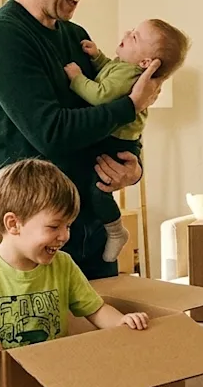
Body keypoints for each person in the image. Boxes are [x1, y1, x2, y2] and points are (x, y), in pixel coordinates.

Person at [0, 0, 164, 280]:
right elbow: (52, 131)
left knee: (104, 330)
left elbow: (110, 118)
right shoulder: (3, 39)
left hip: (89, 216)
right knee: (50, 335)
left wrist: (132, 167)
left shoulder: (76, 36)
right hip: (34, 224)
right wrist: (132, 104)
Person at [0, 158, 151, 356]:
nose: (65, 236)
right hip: (2, 378)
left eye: (68, 226)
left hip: (54, 370)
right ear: (13, 224)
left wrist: (122, 321)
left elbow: (96, 310)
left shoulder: (63, 264)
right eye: (53, 227)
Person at [64, 19, 191, 262]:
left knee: (99, 190)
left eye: (134, 37)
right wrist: (97, 57)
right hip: (114, 139)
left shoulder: (129, 75)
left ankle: (115, 231)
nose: (126, 33)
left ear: (145, 63)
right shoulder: (124, 69)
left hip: (117, 143)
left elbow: (100, 94)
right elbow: (108, 74)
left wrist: (77, 78)